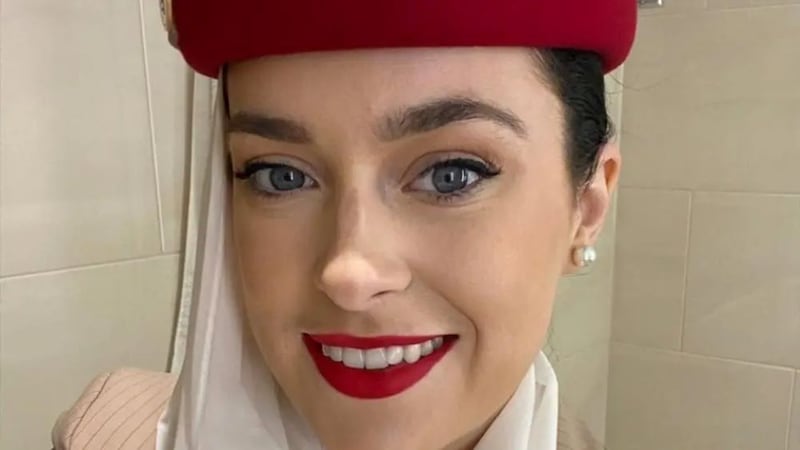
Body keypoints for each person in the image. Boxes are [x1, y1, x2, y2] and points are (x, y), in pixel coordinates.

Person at [52, 0, 637, 449]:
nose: (349, 271)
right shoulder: (102, 431)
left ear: (586, 207)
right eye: (280, 175)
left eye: (451, 175)